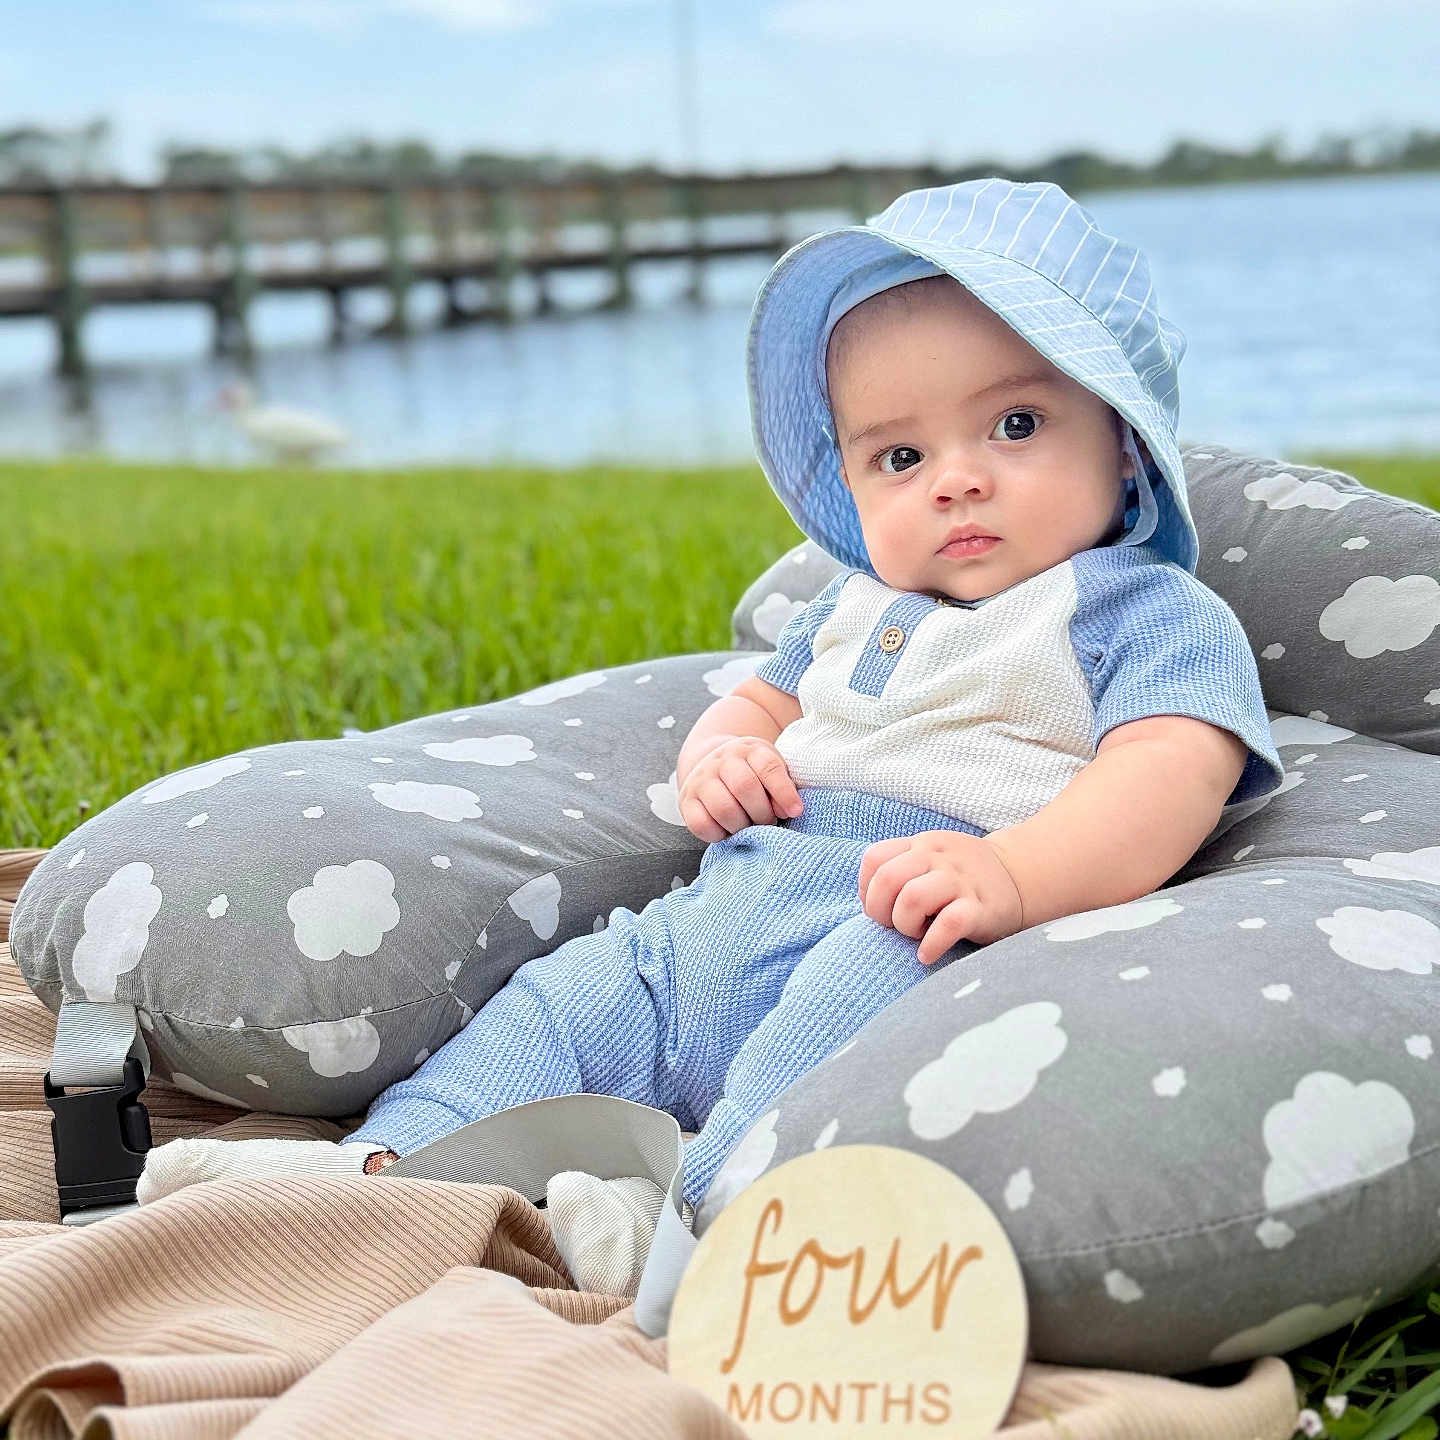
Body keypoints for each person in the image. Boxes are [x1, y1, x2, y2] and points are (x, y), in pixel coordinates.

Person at [134, 177, 1284, 1293]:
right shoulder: (855, 605)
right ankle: (388, 1177)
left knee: (840, 1040)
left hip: (911, 920)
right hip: (720, 913)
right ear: (851, 475)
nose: (958, 482)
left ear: (1124, 448)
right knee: (563, 1001)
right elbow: (761, 705)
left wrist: (1014, 874)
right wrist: (720, 755)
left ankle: (686, 1226)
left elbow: (1170, 770)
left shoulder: (1146, 611)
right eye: (900, 456)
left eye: (1017, 425)